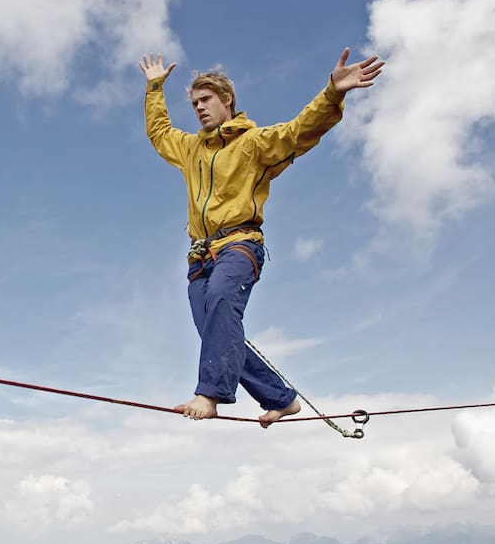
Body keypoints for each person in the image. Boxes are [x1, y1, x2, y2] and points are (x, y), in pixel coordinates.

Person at [139, 48, 384, 427]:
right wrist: (155, 87)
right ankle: (280, 398)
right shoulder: (190, 149)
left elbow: (300, 131)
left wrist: (332, 93)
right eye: (194, 103)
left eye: (206, 99)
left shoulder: (253, 143)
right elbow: (159, 132)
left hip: (240, 245)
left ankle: (210, 394)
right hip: (200, 255)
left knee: (221, 301)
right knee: (214, 330)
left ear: (227, 100)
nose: (199, 107)